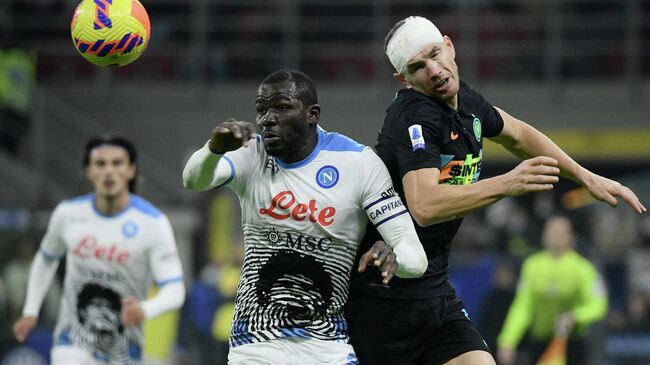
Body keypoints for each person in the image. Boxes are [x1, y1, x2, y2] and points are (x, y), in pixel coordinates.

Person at [347, 15, 646, 365]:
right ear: (405, 79)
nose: (434, 70)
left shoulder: (465, 101)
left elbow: (518, 135)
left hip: (434, 290)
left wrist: (586, 177)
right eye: (417, 66)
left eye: (435, 54)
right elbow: (424, 206)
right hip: (381, 298)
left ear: (449, 45)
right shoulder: (414, 117)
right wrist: (508, 182)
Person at [182, 68, 428, 364]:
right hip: (256, 343)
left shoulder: (357, 162)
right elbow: (193, 180)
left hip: (328, 346)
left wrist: (395, 259)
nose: (267, 119)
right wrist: (213, 149)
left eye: (282, 108)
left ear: (312, 114)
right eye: (261, 110)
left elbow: (415, 255)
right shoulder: (251, 152)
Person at [12, 135, 185, 365]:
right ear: (88, 171)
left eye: (117, 163)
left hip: (123, 349)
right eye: (100, 164)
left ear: (130, 170)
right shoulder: (68, 214)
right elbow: (46, 259)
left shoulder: (153, 223)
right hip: (72, 343)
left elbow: (175, 288)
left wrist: (145, 309)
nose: (109, 171)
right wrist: (31, 310)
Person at [496, 214, 608, 365]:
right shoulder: (532, 266)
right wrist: (508, 340)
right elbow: (523, 306)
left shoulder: (584, 269)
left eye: (559, 232)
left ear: (571, 237)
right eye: (550, 231)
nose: (553, 235)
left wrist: (575, 316)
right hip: (539, 343)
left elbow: (599, 305)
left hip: (571, 344)